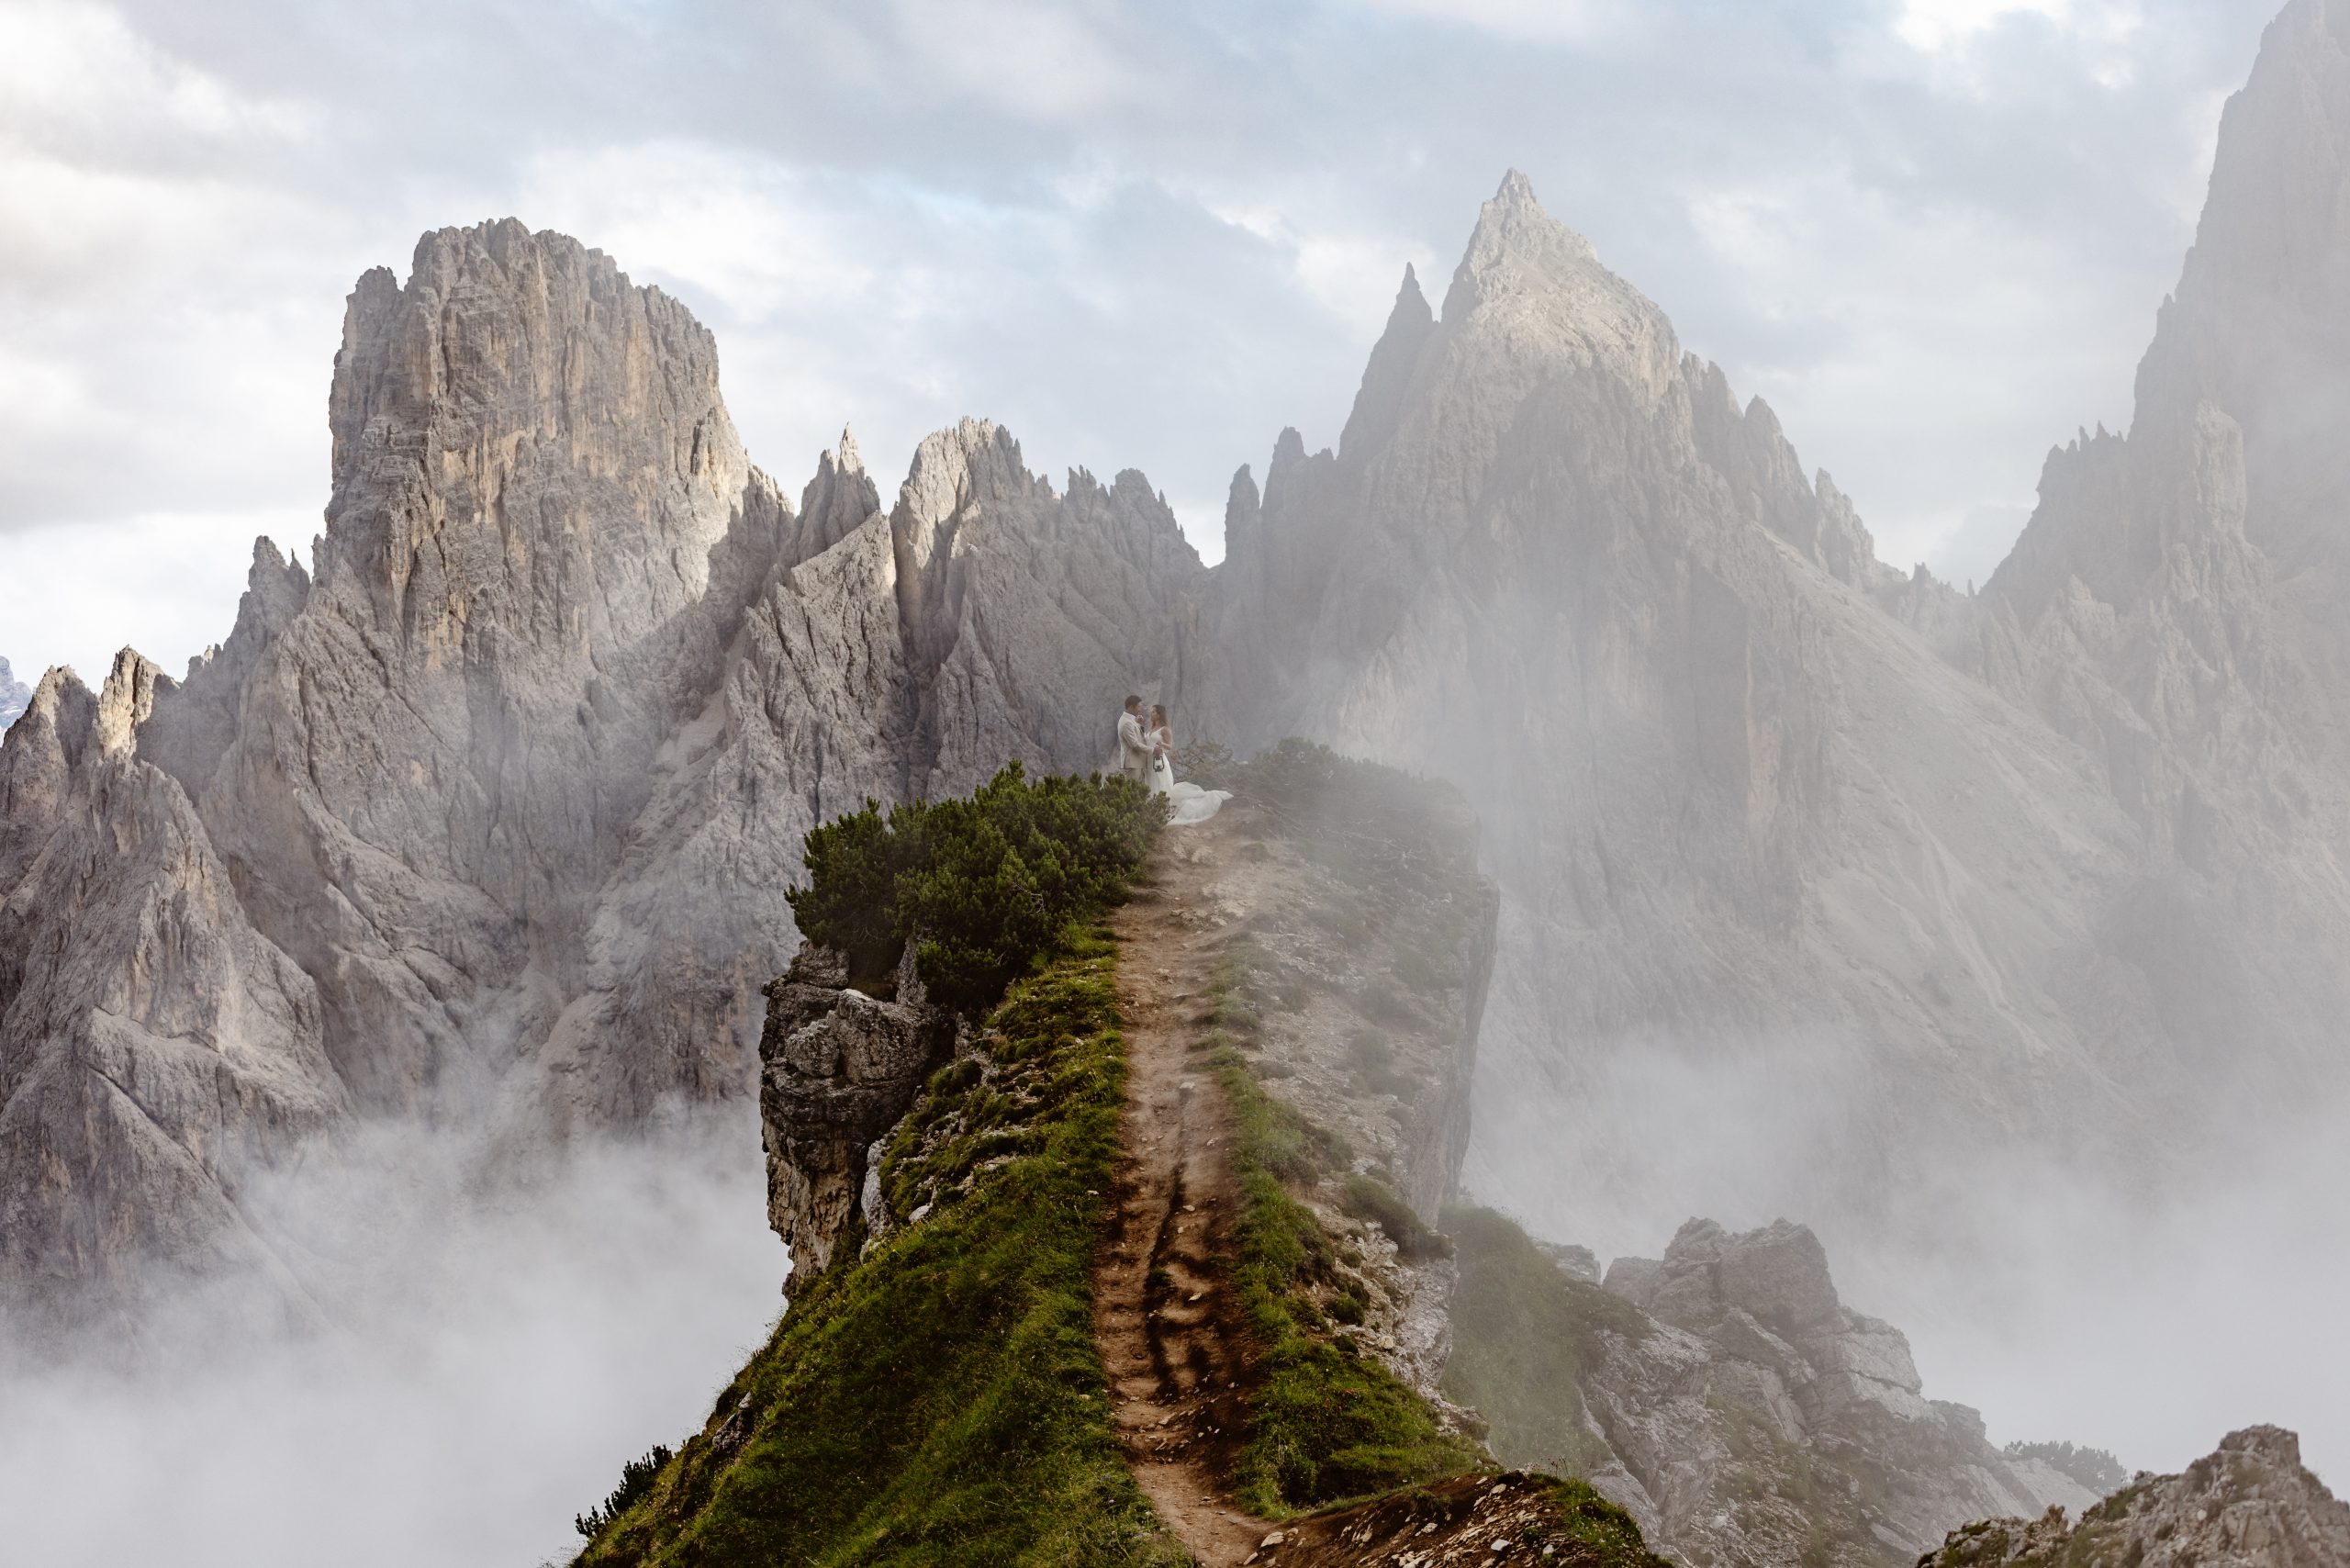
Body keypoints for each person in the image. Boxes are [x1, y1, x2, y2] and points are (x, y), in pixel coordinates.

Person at [1115, 695, 1153, 786]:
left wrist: (1139, 724)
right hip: (1132, 765)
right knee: (1132, 793)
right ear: (1131, 707)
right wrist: (1153, 750)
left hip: (1136, 764)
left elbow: (1138, 738)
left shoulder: (1130, 721)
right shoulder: (1126, 722)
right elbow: (1135, 744)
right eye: (1138, 707)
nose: (1140, 709)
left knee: (1137, 793)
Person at [1147, 703, 1176, 796]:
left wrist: (1161, 744)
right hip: (1148, 762)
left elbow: (1169, 746)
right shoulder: (1151, 729)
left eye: (1153, 712)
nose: (1151, 714)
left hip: (1159, 761)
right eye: (1151, 712)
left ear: (1159, 715)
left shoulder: (1165, 729)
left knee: (1160, 785)